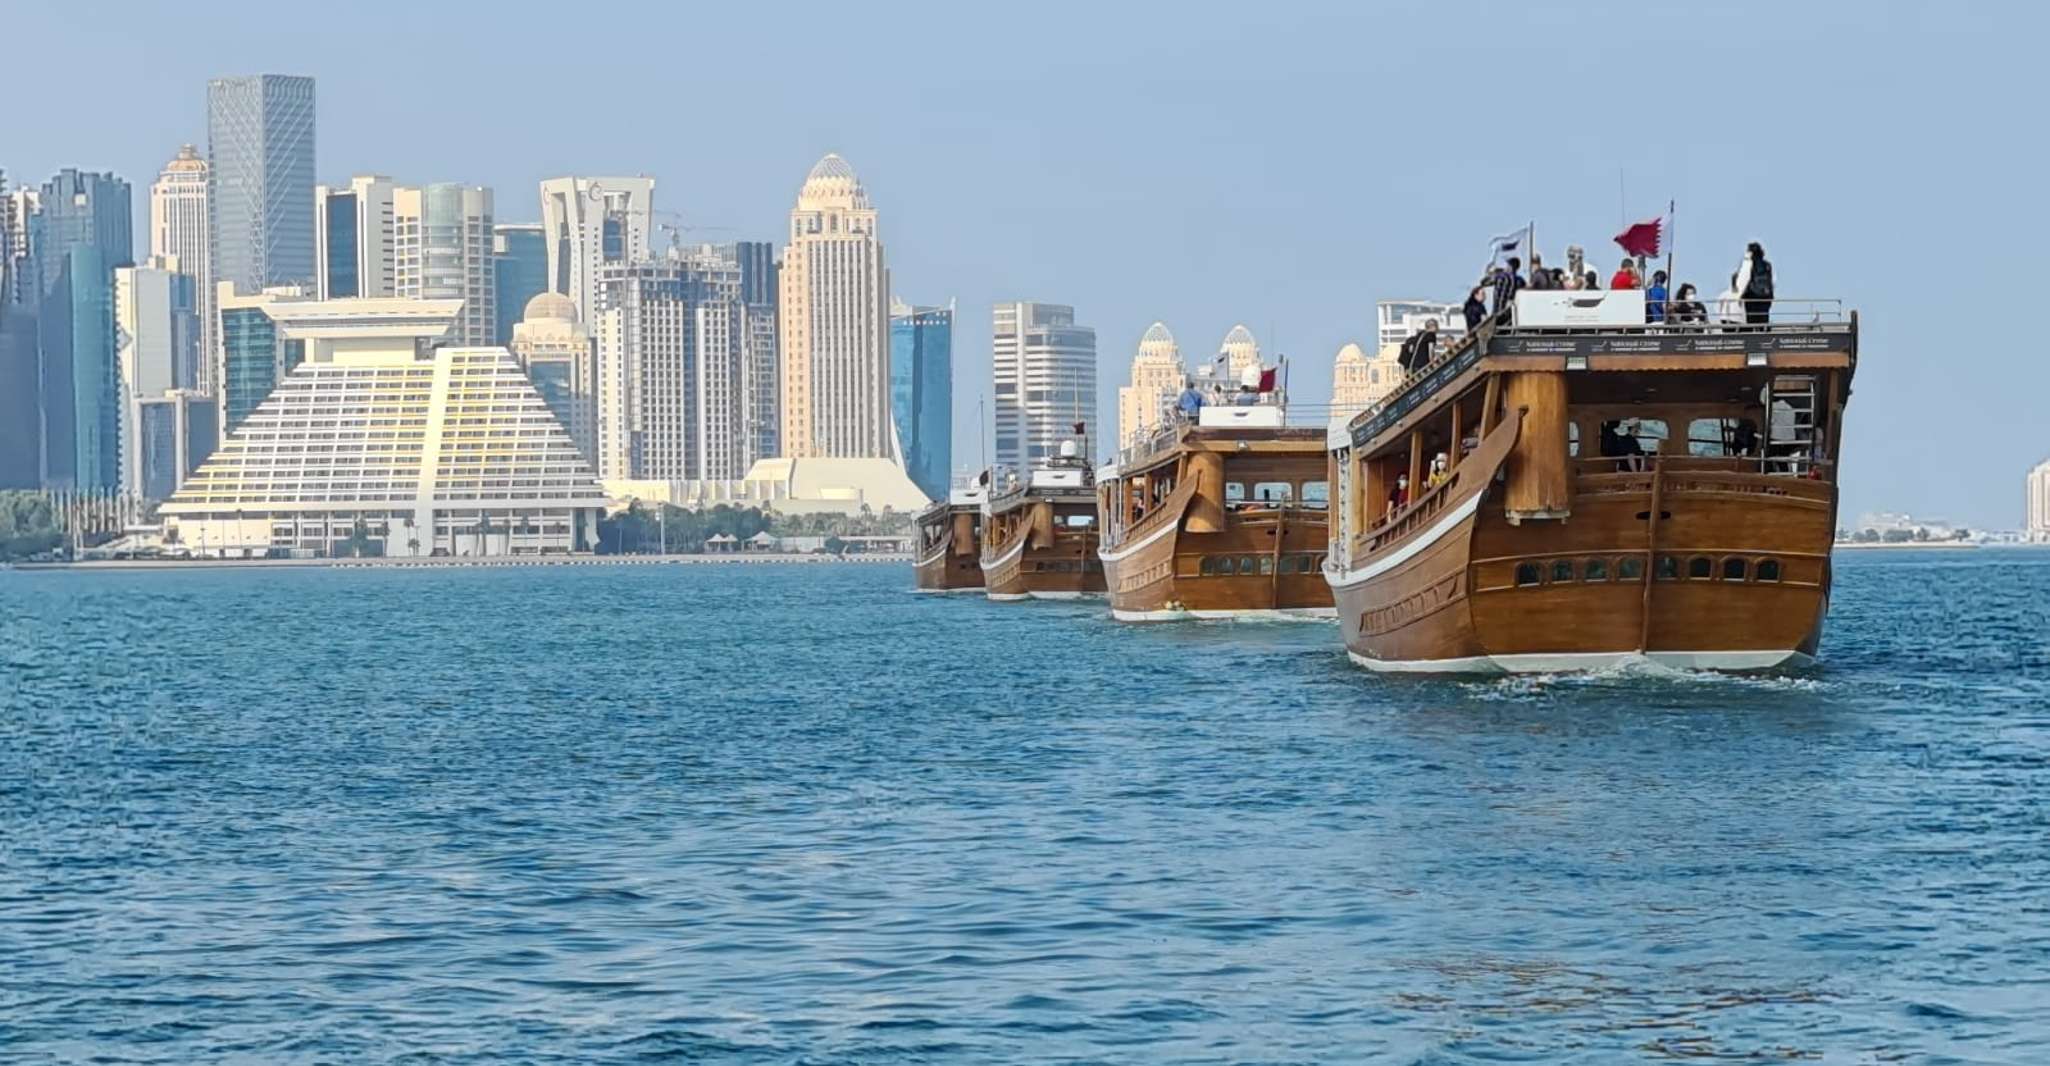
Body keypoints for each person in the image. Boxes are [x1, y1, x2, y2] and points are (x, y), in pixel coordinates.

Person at [1736, 241, 1774, 325]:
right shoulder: (1767, 265)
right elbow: (1771, 282)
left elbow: (1744, 280)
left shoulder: (1748, 264)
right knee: (1763, 322)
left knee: (1751, 322)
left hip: (1751, 297)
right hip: (1765, 297)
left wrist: (1740, 296)